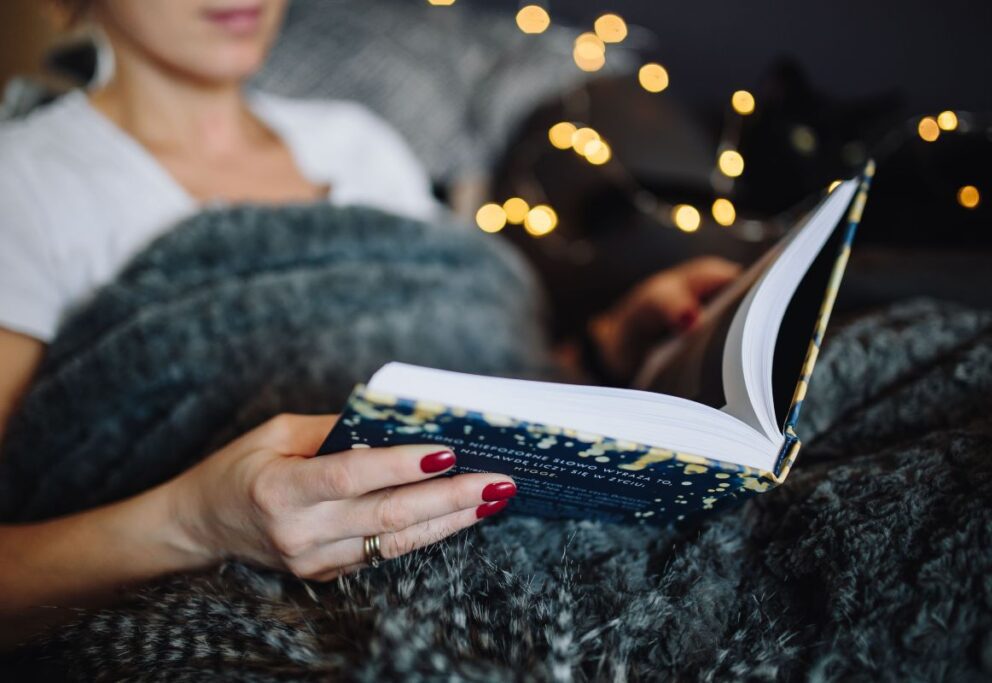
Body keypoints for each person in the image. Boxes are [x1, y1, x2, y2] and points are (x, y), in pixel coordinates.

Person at [0, 0, 738, 646]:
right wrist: (196, 523)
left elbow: (461, 381)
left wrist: (609, 348)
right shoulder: (27, 182)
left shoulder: (358, 141)